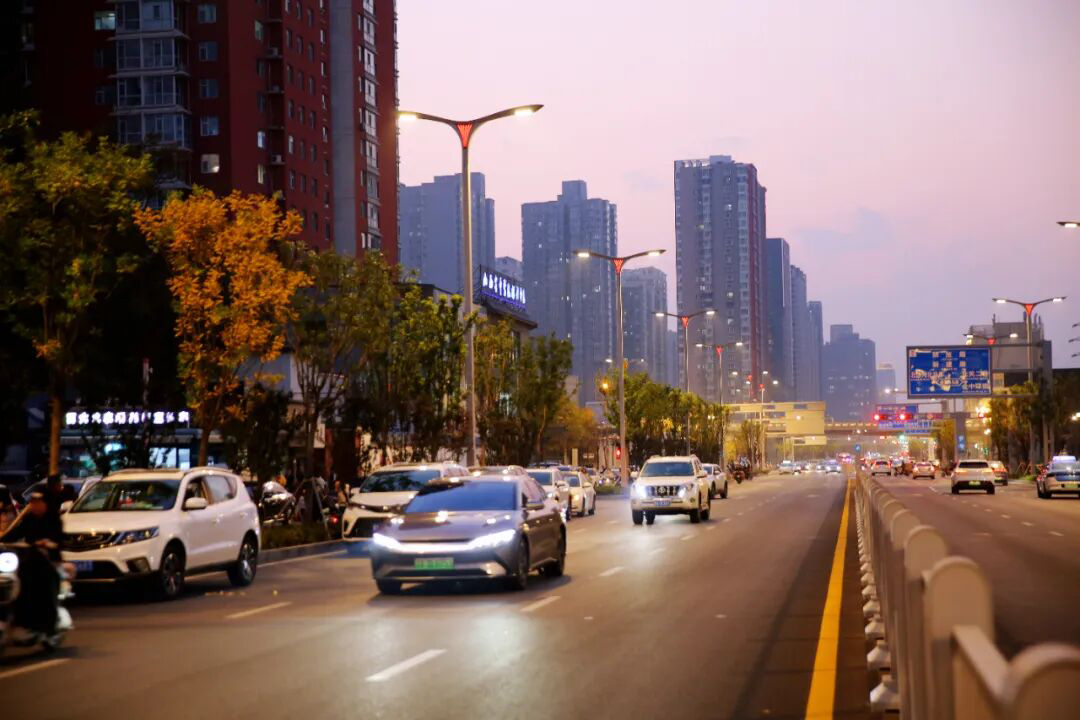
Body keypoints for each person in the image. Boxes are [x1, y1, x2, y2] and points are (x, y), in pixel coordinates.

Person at [1, 491, 63, 638]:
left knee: (46, 586)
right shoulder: (29, 519)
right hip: (30, 558)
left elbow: (58, 538)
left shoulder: (54, 518)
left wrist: (47, 543)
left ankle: (49, 624)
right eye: (33, 502)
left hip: (48, 560)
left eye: (38, 502)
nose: (35, 506)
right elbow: (15, 534)